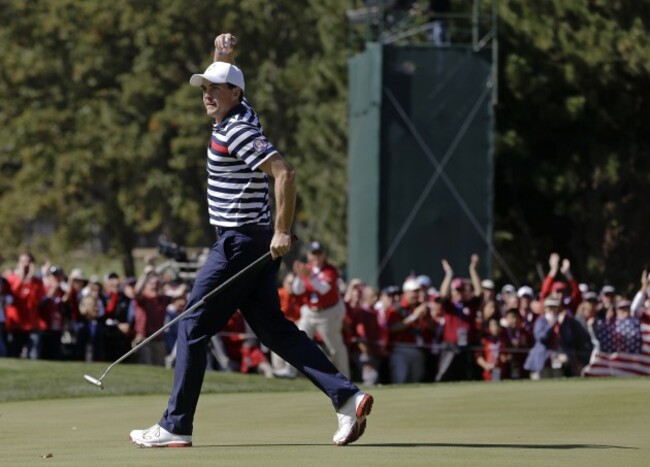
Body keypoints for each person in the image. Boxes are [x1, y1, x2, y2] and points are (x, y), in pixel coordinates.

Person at [129, 33, 372, 448]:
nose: (207, 95)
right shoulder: (242, 115)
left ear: (235, 93)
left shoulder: (237, 129)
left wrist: (282, 228)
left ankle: (175, 425)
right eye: (204, 89)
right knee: (273, 330)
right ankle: (347, 398)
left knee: (192, 325)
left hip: (238, 243)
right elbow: (230, 94)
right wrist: (222, 58)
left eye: (215, 88)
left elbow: (285, 173)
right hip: (252, 243)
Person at [292, 241, 351, 378]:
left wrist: (308, 275)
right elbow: (297, 290)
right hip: (310, 312)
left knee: (335, 348)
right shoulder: (306, 268)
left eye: (319, 253)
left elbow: (324, 289)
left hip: (328, 313)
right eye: (314, 253)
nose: (316, 257)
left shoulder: (330, 270)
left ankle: (345, 377)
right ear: (309, 255)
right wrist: (300, 275)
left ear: (324, 255)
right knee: (297, 339)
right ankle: (291, 372)